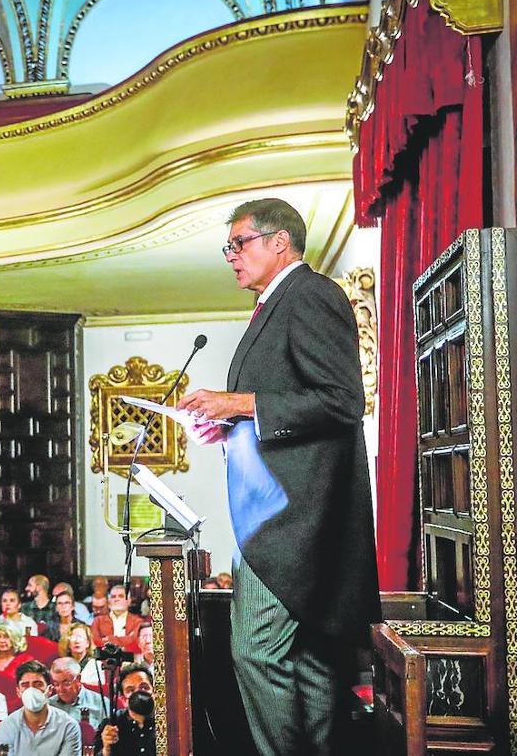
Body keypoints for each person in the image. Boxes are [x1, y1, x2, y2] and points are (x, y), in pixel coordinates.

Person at [178, 198, 380, 756]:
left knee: (257, 651)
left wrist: (239, 402)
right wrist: (229, 425)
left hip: (293, 524)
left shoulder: (310, 294)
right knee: (307, 661)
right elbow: (285, 404)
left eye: (239, 243)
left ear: (279, 242)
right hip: (279, 516)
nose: (230, 256)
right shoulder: (273, 304)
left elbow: (341, 401)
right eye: (228, 247)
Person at [0, 660, 82, 756]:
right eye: (25, 685)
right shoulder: (6, 726)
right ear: (18, 692)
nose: (31, 690)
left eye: (38, 684)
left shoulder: (68, 726)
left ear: (49, 690)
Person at [95, 664, 155, 756]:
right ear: (123, 700)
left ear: (154, 691)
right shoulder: (111, 724)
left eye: (144, 687)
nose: (138, 693)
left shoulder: (167, 720)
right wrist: (106, 749)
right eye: (130, 690)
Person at [48, 657, 108, 724]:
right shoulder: (49, 705)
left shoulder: (101, 703)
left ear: (78, 679)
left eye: (66, 683)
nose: (61, 689)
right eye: (56, 684)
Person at [89, 585, 141, 654]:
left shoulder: (137, 621)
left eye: (121, 596)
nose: (117, 599)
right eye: (113, 597)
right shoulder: (98, 621)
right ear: (109, 601)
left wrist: (109, 639)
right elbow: (95, 641)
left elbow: (135, 641)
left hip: (130, 658)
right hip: (104, 657)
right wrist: (126, 639)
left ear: (129, 601)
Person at [59, 623, 103, 690]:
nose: (77, 641)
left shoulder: (96, 665)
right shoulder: (62, 665)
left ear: (87, 643)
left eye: (81, 637)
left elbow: (99, 689)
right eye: (73, 638)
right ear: (68, 643)